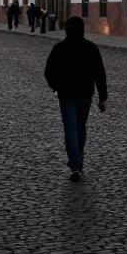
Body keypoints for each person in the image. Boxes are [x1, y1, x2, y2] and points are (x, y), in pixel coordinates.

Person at [44, 17, 107, 181]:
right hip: (85, 94)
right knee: (80, 125)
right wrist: (103, 97)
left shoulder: (59, 49)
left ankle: (75, 164)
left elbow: (48, 72)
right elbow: (100, 74)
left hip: (66, 95)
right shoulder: (91, 48)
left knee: (70, 128)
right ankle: (78, 155)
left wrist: (56, 86)